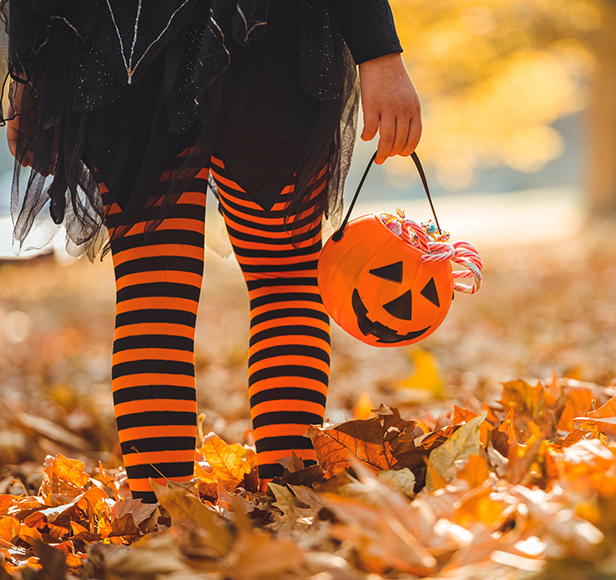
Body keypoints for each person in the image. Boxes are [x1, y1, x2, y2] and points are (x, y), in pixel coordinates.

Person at [3, 0, 421, 503]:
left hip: (135, 40)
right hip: (228, 41)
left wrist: (33, 64)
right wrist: (379, 51)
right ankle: (277, 497)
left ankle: (165, 512)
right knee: (275, 282)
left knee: (173, 286)